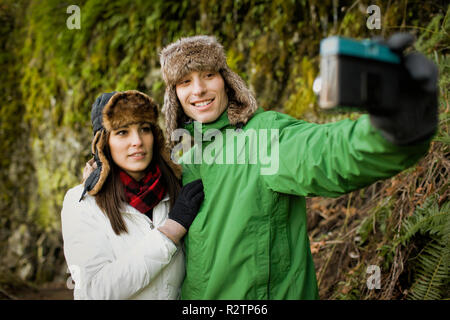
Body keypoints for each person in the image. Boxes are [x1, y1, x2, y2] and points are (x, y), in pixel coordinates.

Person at [158, 35, 438, 299]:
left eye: (208, 75)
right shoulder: (182, 155)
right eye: (185, 81)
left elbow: (324, 153)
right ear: (174, 95)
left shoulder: (262, 136)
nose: (199, 89)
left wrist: (394, 128)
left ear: (227, 81)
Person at [61, 90, 204, 299]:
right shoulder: (81, 203)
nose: (137, 141)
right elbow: (94, 291)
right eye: (122, 132)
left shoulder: (177, 189)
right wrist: (170, 233)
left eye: (144, 129)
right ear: (103, 142)